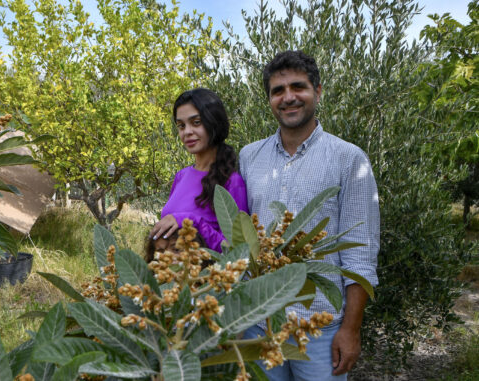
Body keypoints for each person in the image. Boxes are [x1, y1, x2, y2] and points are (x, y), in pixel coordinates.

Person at [238, 51, 380, 380]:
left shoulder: (349, 159)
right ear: (270, 99)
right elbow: (235, 235)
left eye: (298, 87)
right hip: (259, 325)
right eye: (278, 90)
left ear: (318, 91)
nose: (288, 97)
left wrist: (351, 329)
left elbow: (361, 254)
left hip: (319, 331)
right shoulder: (249, 157)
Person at [150, 88, 248, 252]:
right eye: (181, 126)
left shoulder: (232, 182)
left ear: (214, 123)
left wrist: (190, 220)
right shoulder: (181, 176)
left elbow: (237, 250)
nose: (187, 132)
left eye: (196, 122)